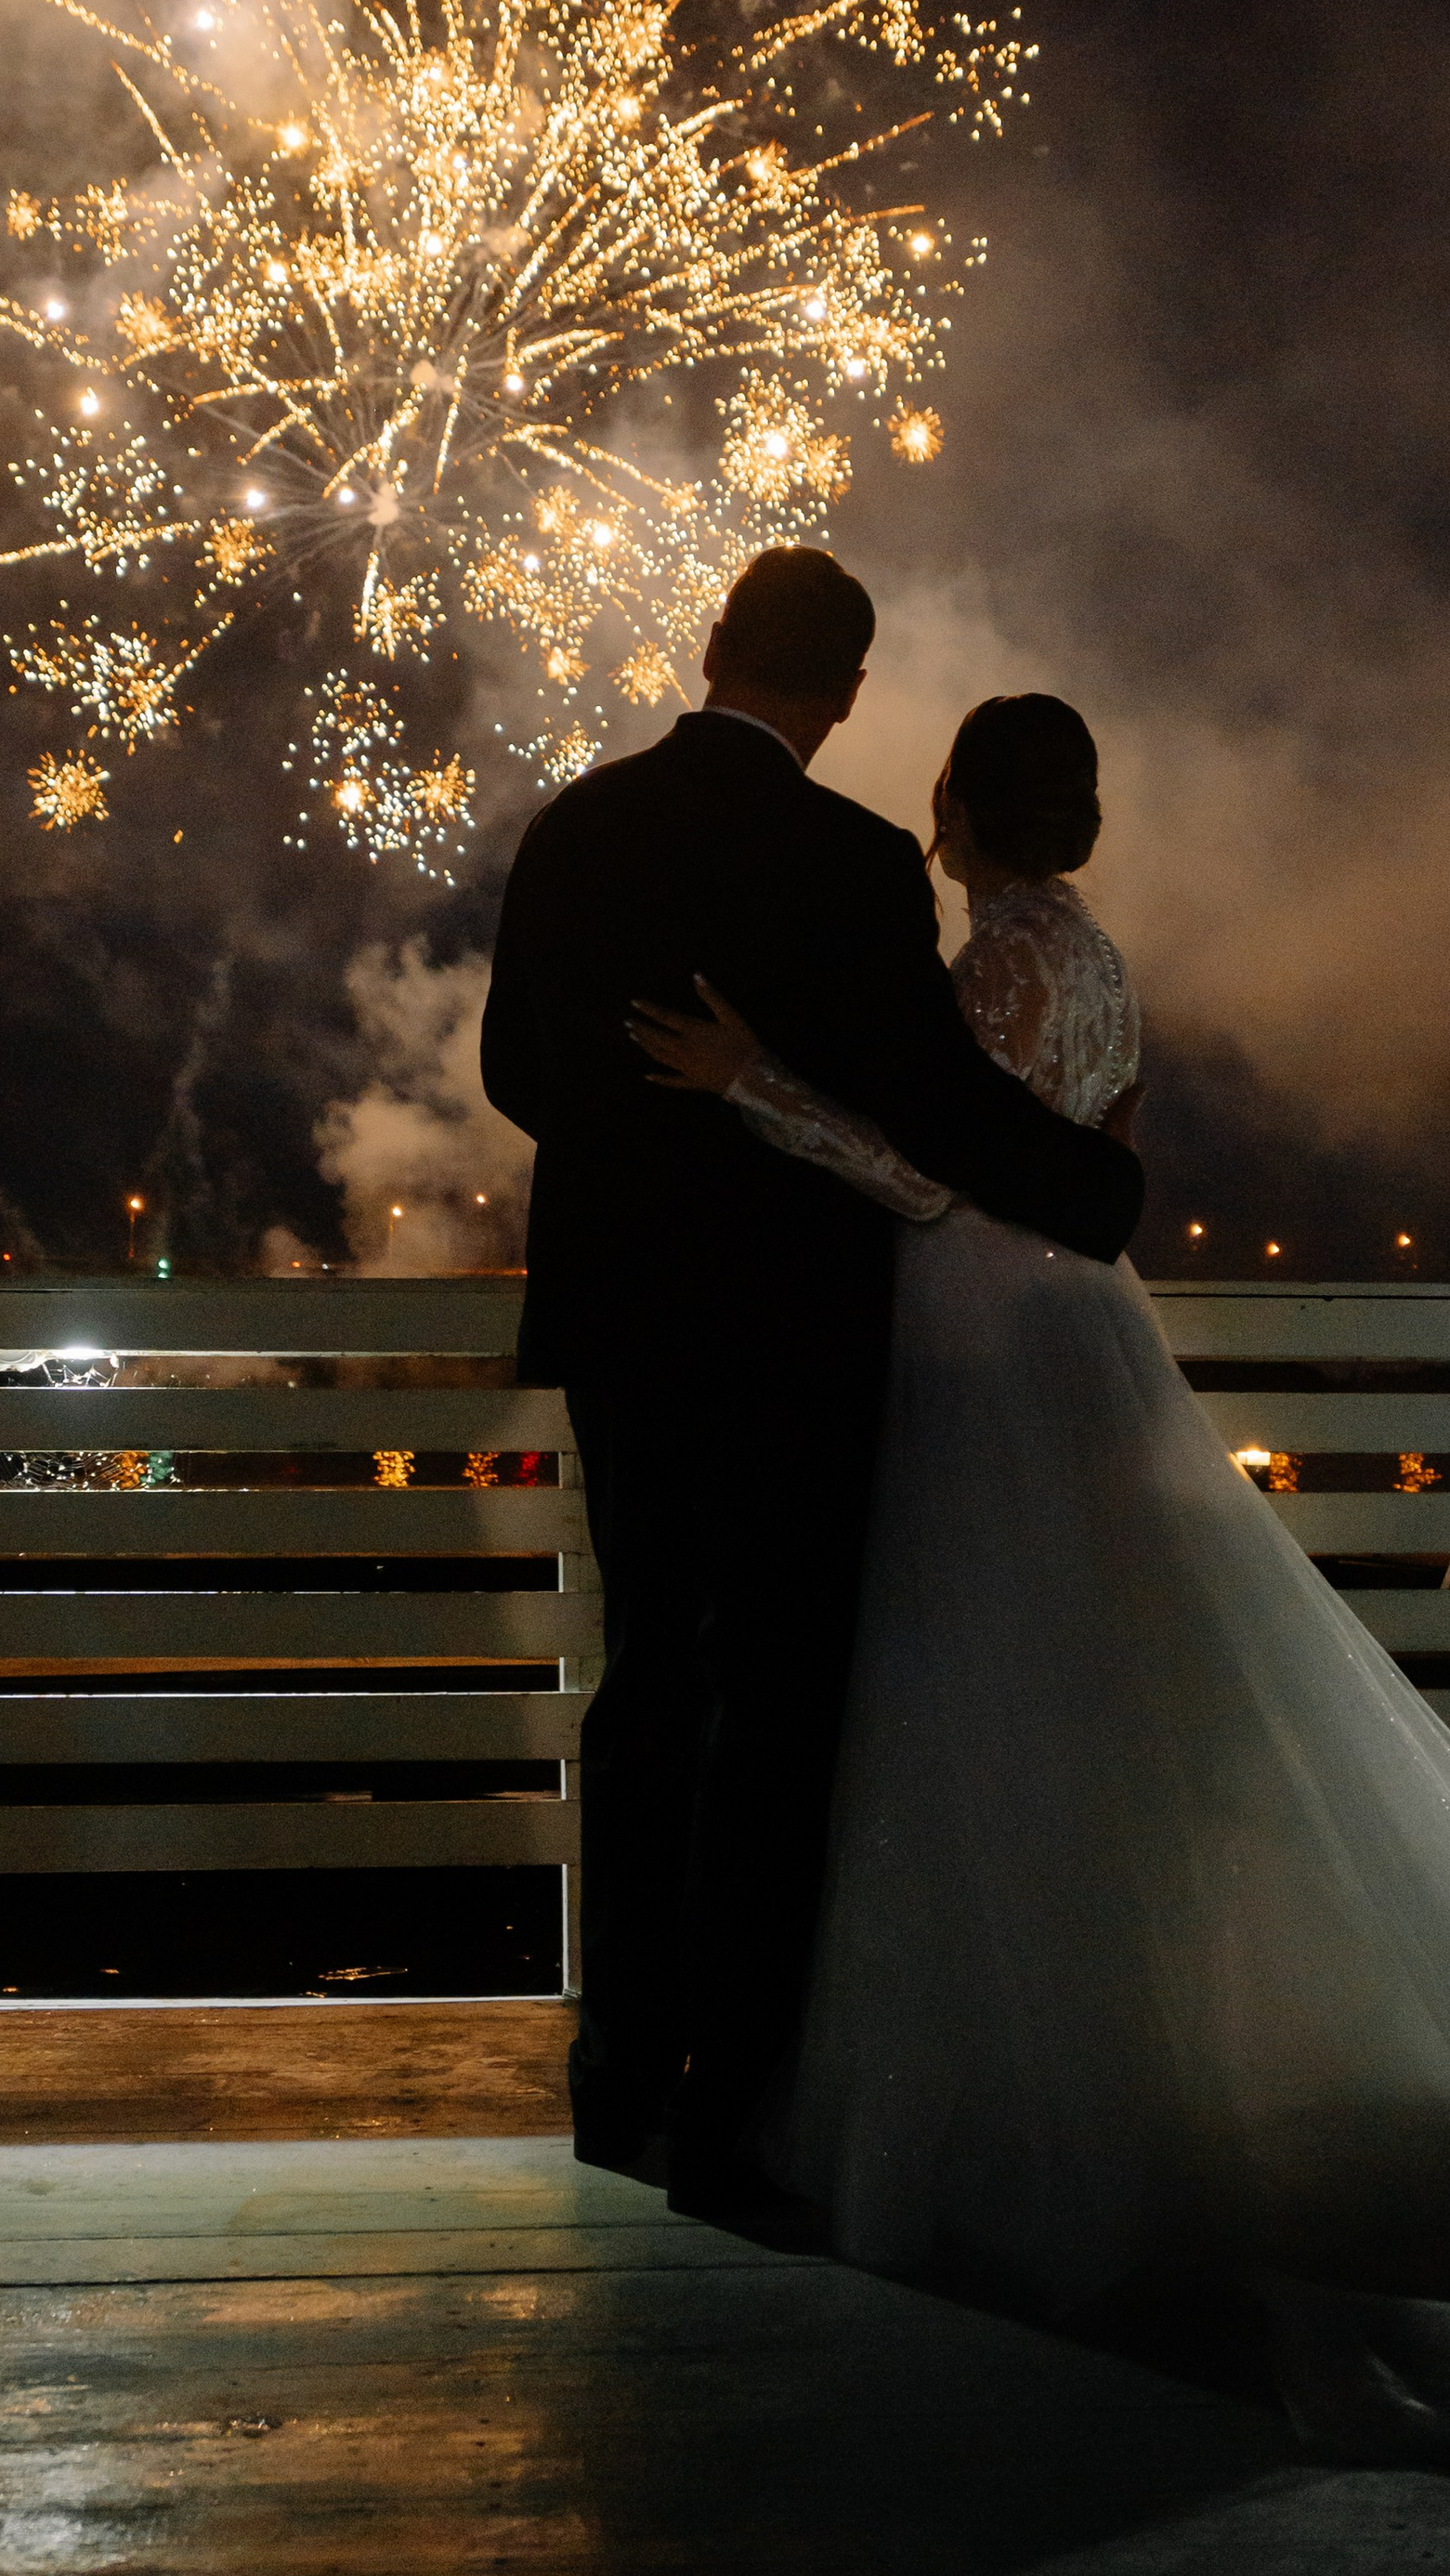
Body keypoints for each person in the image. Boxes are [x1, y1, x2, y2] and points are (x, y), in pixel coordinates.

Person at [633, 689, 1450, 2505]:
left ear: (954, 808)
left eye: (938, 796)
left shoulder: (995, 967)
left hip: (985, 1342)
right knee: (1101, 1696)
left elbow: (935, 1172)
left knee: (983, 1690)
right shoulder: (1095, 957)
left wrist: (754, 1088)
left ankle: (1021, 2113)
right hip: (1089, 1335)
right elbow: (1084, 1159)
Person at [479, 552, 1143, 2213]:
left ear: (710, 649)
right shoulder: (852, 865)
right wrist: (1100, 1193)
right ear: (844, 693)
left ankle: (613, 2065)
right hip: (796, 1342)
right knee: (777, 1704)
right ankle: (737, 2089)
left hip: (626, 1329)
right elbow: (933, 1106)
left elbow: (514, 1068)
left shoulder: (574, 829)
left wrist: (641, 1152)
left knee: (646, 1690)